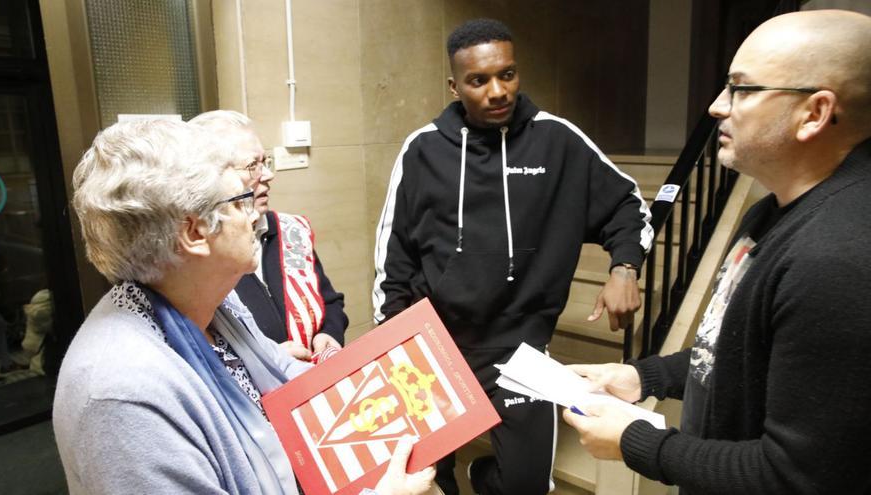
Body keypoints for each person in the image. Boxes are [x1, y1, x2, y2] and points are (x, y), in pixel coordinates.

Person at [563, 9, 871, 495]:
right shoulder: (769, 213)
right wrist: (642, 377)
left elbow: (794, 476)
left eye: (741, 89)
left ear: (814, 113)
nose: (715, 107)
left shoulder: (838, 256)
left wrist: (637, 442)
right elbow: (731, 352)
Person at [53, 119, 435, 494]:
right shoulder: (123, 398)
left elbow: (285, 371)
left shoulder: (211, 303)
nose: (255, 212)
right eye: (240, 200)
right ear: (194, 232)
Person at [373, 18, 652, 495]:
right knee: (426, 483)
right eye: (479, 80)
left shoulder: (557, 141)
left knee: (525, 486)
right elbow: (394, 259)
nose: (497, 91)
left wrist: (624, 267)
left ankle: (485, 477)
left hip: (521, 353)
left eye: (507, 74)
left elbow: (628, 205)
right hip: (436, 350)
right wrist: (396, 348)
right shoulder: (423, 151)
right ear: (455, 86)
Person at [190, 110, 348, 363]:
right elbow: (197, 350)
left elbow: (329, 301)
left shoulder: (292, 229)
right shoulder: (202, 253)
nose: (267, 175)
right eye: (252, 165)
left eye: (265, 161)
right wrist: (265, 361)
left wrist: (329, 333)